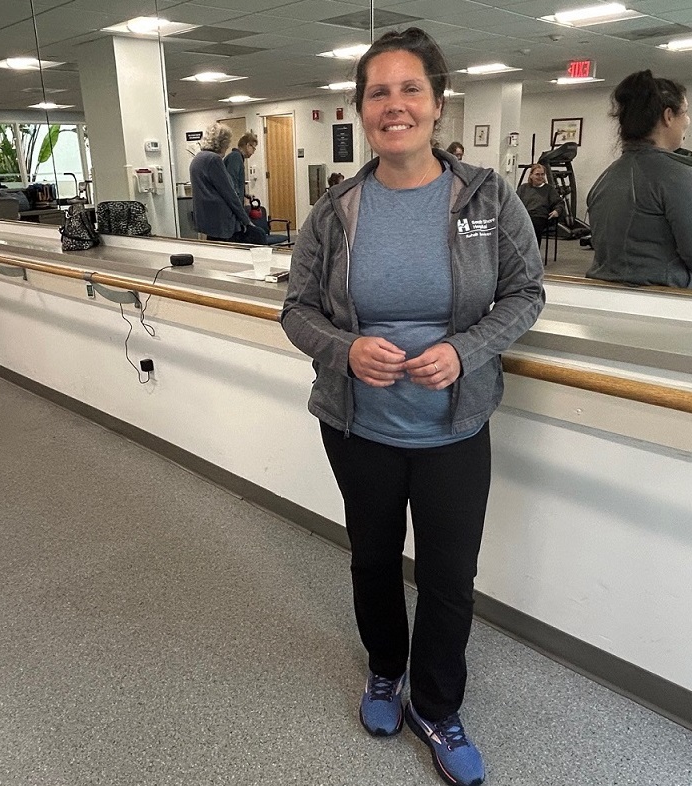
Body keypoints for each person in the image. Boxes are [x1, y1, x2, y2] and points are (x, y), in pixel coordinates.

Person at [280, 27, 544, 786]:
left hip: (455, 425)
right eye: (378, 92)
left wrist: (465, 349)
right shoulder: (335, 210)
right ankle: (385, 673)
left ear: (437, 102)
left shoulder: (489, 199)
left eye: (410, 89)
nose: (394, 105)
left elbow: (527, 294)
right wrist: (344, 349)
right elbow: (297, 310)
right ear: (362, 110)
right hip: (359, 424)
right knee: (370, 559)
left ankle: (436, 704)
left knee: (450, 576)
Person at [585, 70, 692, 288]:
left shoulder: (607, 176)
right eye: (684, 112)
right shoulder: (679, 173)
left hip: (604, 294)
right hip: (660, 301)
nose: (687, 121)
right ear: (668, 116)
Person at [189, 123, 264, 243]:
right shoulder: (214, 160)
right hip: (222, 221)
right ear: (223, 143)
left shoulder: (197, 159)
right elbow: (229, 193)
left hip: (206, 220)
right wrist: (246, 221)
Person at [516, 163, 562, 243]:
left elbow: (559, 203)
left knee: (533, 225)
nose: (540, 177)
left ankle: (533, 252)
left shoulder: (549, 189)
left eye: (542, 174)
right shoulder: (523, 188)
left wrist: (557, 211)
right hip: (524, 215)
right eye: (537, 174)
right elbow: (515, 202)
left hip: (540, 217)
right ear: (531, 175)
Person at [224, 131, 258, 205]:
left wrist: (245, 194)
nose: (253, 152)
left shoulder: (237, 157)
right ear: (248, 145)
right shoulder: (235, 157)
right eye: (254, 148)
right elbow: (232, 183)